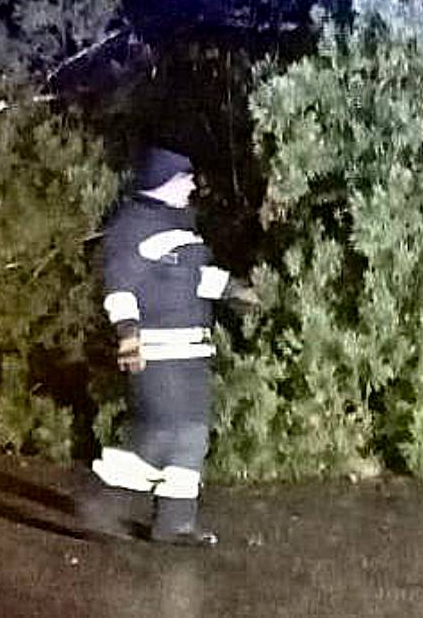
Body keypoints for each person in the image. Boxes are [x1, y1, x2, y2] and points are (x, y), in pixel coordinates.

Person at [81, 146, 251, 546]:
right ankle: (100, 502)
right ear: (163, 181)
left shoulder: (182, 226)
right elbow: (119, 288)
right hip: (157, 351)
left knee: (191, 436)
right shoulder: (131, 228)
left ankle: (174, 523)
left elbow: (194, 278)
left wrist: (235, 291)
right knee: (159, 436)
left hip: (192, 352)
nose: (193, 184)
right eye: (185, 177)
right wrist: (128, 335)